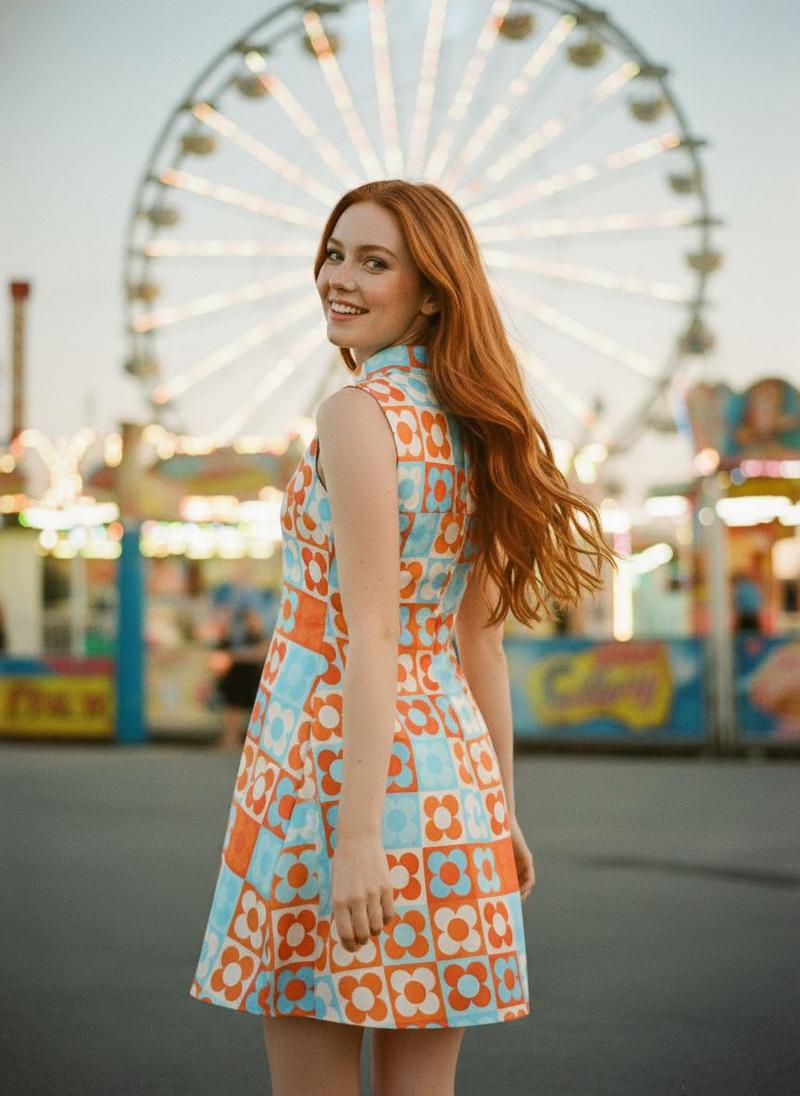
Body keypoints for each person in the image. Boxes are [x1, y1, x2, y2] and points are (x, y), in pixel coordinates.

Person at [188, 180, 614, 1095]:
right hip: (453, 784)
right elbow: (480, 646)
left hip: (334, 778)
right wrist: (499, 811)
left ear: (431, 292)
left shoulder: (358, 413)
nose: (338, 278)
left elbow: (367, 632)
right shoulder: (479, 427)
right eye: (335, 253)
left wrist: (357, 838)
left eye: (373, 262)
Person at [208, 605, 271, 751]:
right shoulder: (235, 636)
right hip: (235, 678)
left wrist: (236, 656)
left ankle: (236, 739)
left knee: (242, 709)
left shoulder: (255, 637)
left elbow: (261, 652)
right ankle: (231, 738)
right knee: (232, 709)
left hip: (247, 677)